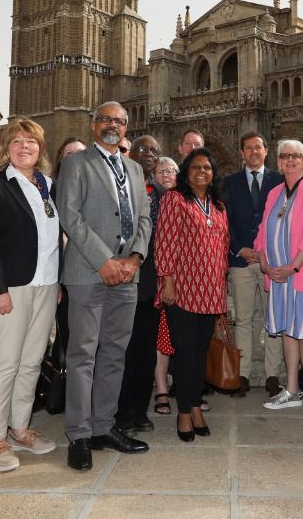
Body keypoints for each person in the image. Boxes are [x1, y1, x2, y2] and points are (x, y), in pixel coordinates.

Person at [56, 102, 152, 472]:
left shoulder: (133, 168)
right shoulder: (77, 164)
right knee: (83, 354)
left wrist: (135, 258)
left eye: (119, 121)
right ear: (94, 125)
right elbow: (70, 216)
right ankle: (79, 435)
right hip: (88, 272)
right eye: (105, 120)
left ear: (127, 128)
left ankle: (103, 427)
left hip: (127, 275)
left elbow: (144, 217)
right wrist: (104, 261)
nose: (112, 125)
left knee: (114, 352)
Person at [0, 119, 64, 471]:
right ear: (6, 147)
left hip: (45, 286)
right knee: (4, 363)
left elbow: (54, 239)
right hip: (9, 287)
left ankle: (20, 429)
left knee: (31, 362)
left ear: (40, 149)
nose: (24, 147)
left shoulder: (49, 186)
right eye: (17, 141)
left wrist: (55, 283)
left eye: (31, 141)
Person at [156, 148, 229, 441]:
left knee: (200, 354)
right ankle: (184, 412)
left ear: (213, 174)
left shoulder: (219, 206)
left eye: (207, 167)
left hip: (210, 291)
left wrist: (222, 291)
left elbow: (223, 249)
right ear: (186, 172)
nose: (201, 171)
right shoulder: (174, 199)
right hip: (183, 290)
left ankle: (196, 405)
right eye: (196, 167)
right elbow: (164, 242)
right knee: (185, 354)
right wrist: (168, 282)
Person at [257, 139, 303, 417]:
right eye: (285, 156)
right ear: (278, 161)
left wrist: (293, 266)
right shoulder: (274, 192)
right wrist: (264, 261)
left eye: (296, 156)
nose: (290, 161)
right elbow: (263, 230)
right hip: (277, 277)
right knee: (287, 330)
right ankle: (291, 388)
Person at [223, 132, 285, 397]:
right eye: (248, 148)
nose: (253, 152)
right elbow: (225, 222)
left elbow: (284, 221)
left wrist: (265, 252)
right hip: (240, 261)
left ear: (266, 150)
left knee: (273, 319)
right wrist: (239, 248)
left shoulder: (279, 181)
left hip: (270, 262)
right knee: (244, 320)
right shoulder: (229, 183)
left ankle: (273, 375)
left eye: (257, 148)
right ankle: (243, 374)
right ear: (241, 153)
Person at [116, 135, 165, 434]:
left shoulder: (162, 193)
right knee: (120, 350)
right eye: (143, 149)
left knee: (146, 351)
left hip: (149, 282)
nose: (148, 155)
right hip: (120, 278)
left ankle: (138, 409)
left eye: (154, 152)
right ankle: (120, 413)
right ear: (130, 154)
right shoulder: (116, 187)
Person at [148, 156, 179, 415]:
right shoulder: (150, 199)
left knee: (185, 336)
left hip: (188, 279)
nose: (166, 175)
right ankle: (161, 390)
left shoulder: (186, 199)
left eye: (171, 170)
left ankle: (186, 387)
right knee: (162, 336)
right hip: (158, 277)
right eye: (161, 171)